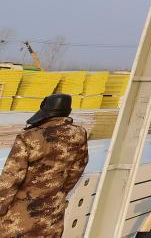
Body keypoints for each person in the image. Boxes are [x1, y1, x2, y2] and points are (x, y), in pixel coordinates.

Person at [0, 94, 88, 238]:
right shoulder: (79, 134)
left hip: (21, 217)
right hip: (52, 214)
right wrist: (59, 191)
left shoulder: (29, 137)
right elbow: (78, 168)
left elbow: (11, 178)